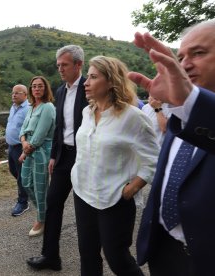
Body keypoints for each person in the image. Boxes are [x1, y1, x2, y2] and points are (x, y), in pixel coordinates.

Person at [129, 20, 215, 276]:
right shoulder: (179, 114)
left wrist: (189, 101)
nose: (185, 64)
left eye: (199, 53)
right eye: (180, 57)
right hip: (165, 252)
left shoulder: (190, 110)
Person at [71, 56, 159, 275]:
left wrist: (132, 188)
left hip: (114, 199)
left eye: (93, 77)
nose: (86, 82)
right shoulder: (87, 113)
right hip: (83, 193)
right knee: (87, 253)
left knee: (116, 256)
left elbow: (153, 159)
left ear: (111, 81)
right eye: (87, 77)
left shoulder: (133, 118)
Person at [27, 45, 88, 271]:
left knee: (85, 211)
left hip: (85, 158)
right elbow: (59, 128)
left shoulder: (90, 87)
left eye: (65, 65)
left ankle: (90, 263)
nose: (60, 69)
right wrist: (54, 155)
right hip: (64, 157)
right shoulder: (61, 91)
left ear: (78, 65)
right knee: (53, 204)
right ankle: (51, 256)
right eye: (58, 65)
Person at [19, 76, 55, 237]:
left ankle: (42, 220)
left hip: (41, 151)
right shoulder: (32, 107)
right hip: (29, 149)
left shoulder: (48, 107)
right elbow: (23, 129)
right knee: (26, 182)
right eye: (34, 86)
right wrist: (23, 142)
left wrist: (26, 151)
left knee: (40, 188)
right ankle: (45, 212)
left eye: (40, 86)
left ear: (45, 88)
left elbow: (40, 135)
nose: (37, 89)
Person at [5, 84, 30, 216]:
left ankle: (23, 202)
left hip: (20, 147)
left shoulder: (28, 109)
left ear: (25, 95)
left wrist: (25, 150)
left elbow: (30, 131)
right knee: (13, 171)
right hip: (11, 147)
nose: (14, 95)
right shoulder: (13, 107)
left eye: (17, 93)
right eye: (13, 93)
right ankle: (29, 190)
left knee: (21, 176)